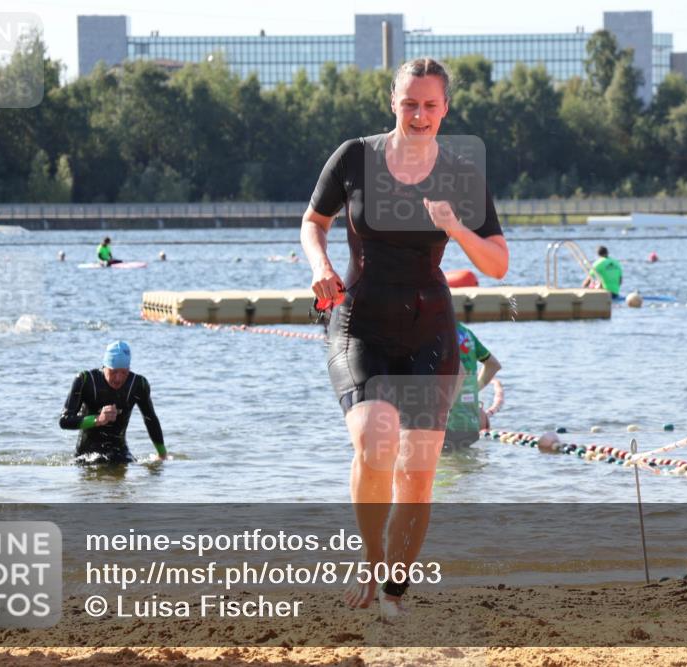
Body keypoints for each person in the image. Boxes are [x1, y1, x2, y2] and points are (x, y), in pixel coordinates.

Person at [301, 57, 508, 617]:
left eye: (430, 105)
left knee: (417, 474)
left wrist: (456, 227)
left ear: (446, 108)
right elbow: (313, 222)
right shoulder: (355, 157)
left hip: (429, 331)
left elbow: (497, 264)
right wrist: (319, 263)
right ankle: (371, 561)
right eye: (409, 103)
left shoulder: (461, 174)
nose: (419, 114)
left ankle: (395, 591)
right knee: (374, 438)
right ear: (392, 102)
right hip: (359, 321)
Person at [59, 341, 166, 465]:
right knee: (99, 461)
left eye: (124, 372)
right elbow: (64, 421)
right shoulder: (85, 380)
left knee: (124, 464)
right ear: (105, 366)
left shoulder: (138, 384)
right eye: (114, 372)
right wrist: (98, 420)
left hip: (120, 453)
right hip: (86, 455)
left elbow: (150, 419)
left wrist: (162, 454)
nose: (118, 378)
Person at [443, 323, 501, 451]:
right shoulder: (466, 333)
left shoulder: (437, 333)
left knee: (445, 468)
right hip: (471, 425)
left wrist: (446, 408)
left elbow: (459, 372)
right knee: (463, 466)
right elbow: (493, 365)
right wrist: (474, 389)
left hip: (447, 426)